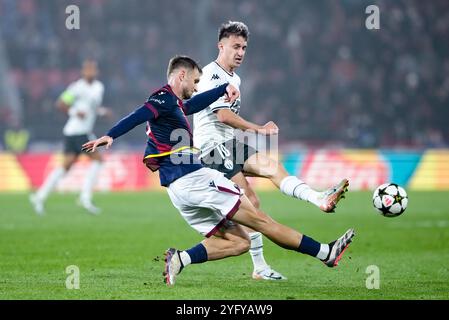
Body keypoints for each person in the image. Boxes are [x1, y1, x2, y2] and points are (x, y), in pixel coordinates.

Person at [82, 55, 356, 286]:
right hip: (195, 178)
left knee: (239, 242)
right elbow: (139, 114)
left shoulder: (175, 105)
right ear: (181, 76)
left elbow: (193, 105)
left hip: (178, 191)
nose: (197, 86)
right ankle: (325, 253)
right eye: (195, 81)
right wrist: (110, 135)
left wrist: (223, 88)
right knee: (262, 221)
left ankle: (180, 259)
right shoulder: (162, 99)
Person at [193, 21, 349, 280]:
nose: (240, 52)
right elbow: (222, 116)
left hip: (229, 144)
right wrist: (259, 128)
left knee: (272, 169)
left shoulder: (235, 77)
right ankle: (260, 266)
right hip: (211, 148)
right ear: (221, 46)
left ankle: (319, 199)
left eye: (244, 47)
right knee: (252, 205)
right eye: (235, 47)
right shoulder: (212, 74)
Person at [29, 59, 109, 215]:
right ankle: (84, 197)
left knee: (66, 165)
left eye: (93, 69)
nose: (91, 72)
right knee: (98, 161)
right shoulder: (77, 87)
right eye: (88, 69)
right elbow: (60, 103)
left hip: (79, 132)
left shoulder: (99, 87)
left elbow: (92, 107)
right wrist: (74, 112)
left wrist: (103, 112)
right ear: (83, 71)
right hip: (77, 131)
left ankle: (39, 196)